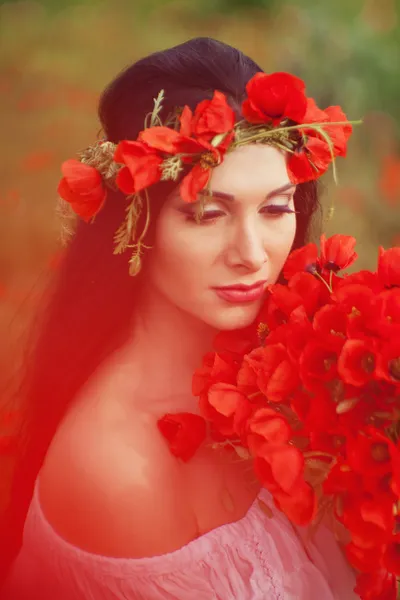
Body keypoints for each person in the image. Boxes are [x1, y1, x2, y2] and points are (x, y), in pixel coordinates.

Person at [0, 37, 358, 599]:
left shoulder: (293, 365)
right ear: (136, 224)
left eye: (274, 208)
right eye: (209, 214)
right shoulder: (117, 471)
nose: (252, 253)